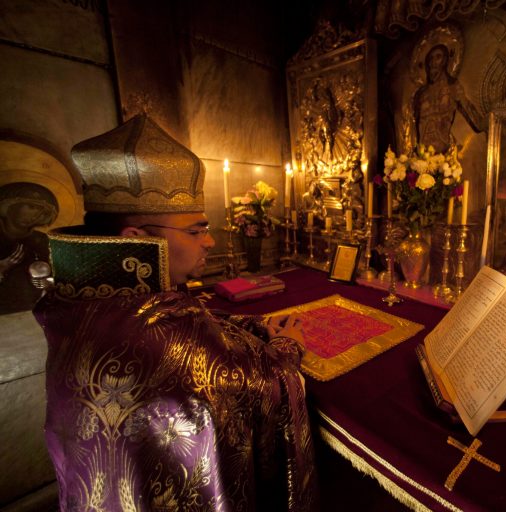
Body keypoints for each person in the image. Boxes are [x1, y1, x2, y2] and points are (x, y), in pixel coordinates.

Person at [34, 115, 315, 511]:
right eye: (196, 230)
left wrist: (248, 326)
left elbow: (193, 324)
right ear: (138, 239)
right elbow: (259, 385)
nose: (210, 241)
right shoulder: (156, 333)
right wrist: (287, 347)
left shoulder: (83, 301)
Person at [410, 44, 485, 153]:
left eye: (438, 57)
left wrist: (491, 121)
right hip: (422, 155)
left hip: (443, 153)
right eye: (430, 58)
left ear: (445, 61)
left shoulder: (453, 87)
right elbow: (414, 126)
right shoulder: (420, 94)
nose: (433, 62)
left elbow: (475, 120)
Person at [0, 182, 59, 313]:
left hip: (31, 312)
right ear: (10, 206)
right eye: (31, 207)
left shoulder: (42, 240)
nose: (36, 214)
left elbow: (58, 275)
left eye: (41, 211)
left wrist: (49, 283)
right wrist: (2, 268)